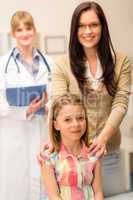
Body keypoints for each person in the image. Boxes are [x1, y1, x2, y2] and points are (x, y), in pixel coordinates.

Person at [39, 1, 131, 197]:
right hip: (72, 156)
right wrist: (51, 138)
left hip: (108, 154)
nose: (87, 31)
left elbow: (121, 102)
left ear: (103, 27)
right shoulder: (63, 64)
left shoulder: (121, 61)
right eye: (81, 26)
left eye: (94, 25)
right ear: (75, 29)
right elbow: (58, 101)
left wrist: (104, 138)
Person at [0, 11, 53, 200]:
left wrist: (49, 105)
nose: (24, 33)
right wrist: (25, 111)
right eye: (19, 29)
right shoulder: (3, 65)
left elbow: (56, 95)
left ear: (34, 30)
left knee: (44, 185)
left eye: (28, 28)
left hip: (42, 131)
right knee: (16, 186)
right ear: (13, 34)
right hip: (15, 135)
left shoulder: (49, 62)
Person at [39, 93, 103, 200]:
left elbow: (98, 193)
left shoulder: (93, 154)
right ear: (56, 125)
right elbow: (54, 196)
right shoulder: (49, 158)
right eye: (67, 120)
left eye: (80, 118)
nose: (76, 124)